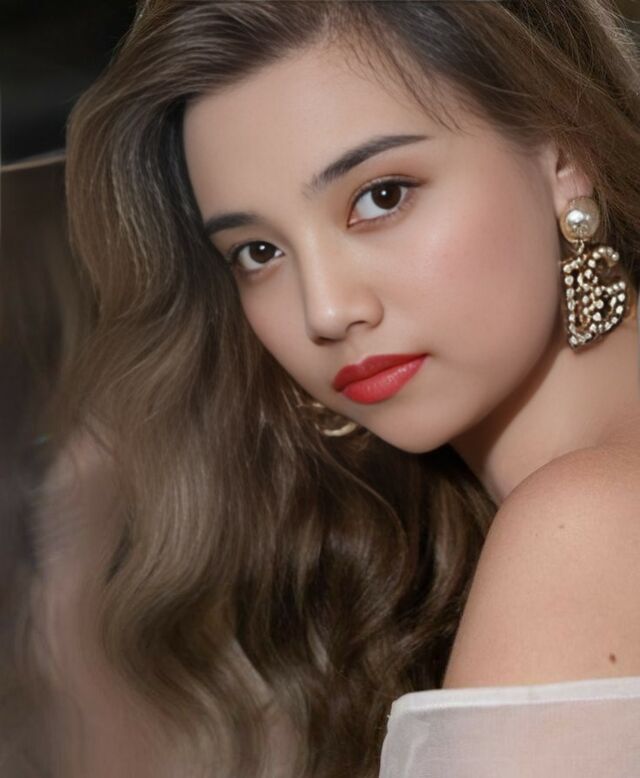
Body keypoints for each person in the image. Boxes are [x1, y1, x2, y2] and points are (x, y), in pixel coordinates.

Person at [34, 1, 640, 776]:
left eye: (380, 196)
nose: (323, 310)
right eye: (258, 251)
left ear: (563, 158)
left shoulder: (582, 525)